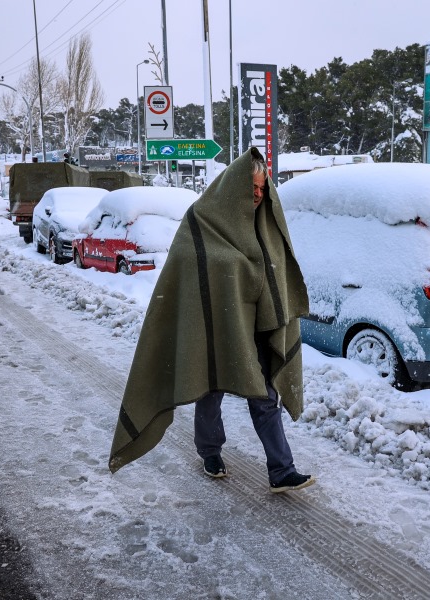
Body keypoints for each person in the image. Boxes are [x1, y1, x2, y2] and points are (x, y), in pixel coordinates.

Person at [109, 148, 315, 493]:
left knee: (265, 398)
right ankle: (209, 452)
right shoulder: (202, 221)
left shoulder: (265, 222)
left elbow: (276, 270)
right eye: (251, 189)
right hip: (216, 324)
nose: (258, 196)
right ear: (233, 188)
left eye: (263, 190)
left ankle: (282, 470)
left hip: (257, 328)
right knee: (211, 390)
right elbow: (188, 267)